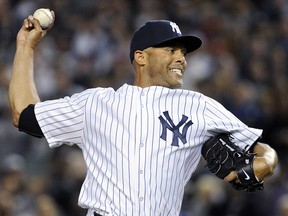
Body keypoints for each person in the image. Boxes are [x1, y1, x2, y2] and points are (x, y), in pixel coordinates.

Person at [8, 11, 278, 216]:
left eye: (183, 52)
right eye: (170, 50)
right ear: (141, 57)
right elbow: (25, 115)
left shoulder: (200, 105)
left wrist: (267, 160)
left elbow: (261, 150)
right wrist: (26, 47)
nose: (181, 58)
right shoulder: (95, 103)